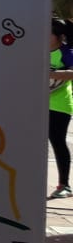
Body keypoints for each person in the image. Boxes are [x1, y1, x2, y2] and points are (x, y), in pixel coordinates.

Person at [48, 18, 73, 199]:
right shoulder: (38, 50)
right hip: (36, 104)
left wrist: (49, 73)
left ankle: (64, 185)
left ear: (59, 37)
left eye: (48, 34)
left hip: (59, 105)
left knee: (57, 142)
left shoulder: (66, 52)